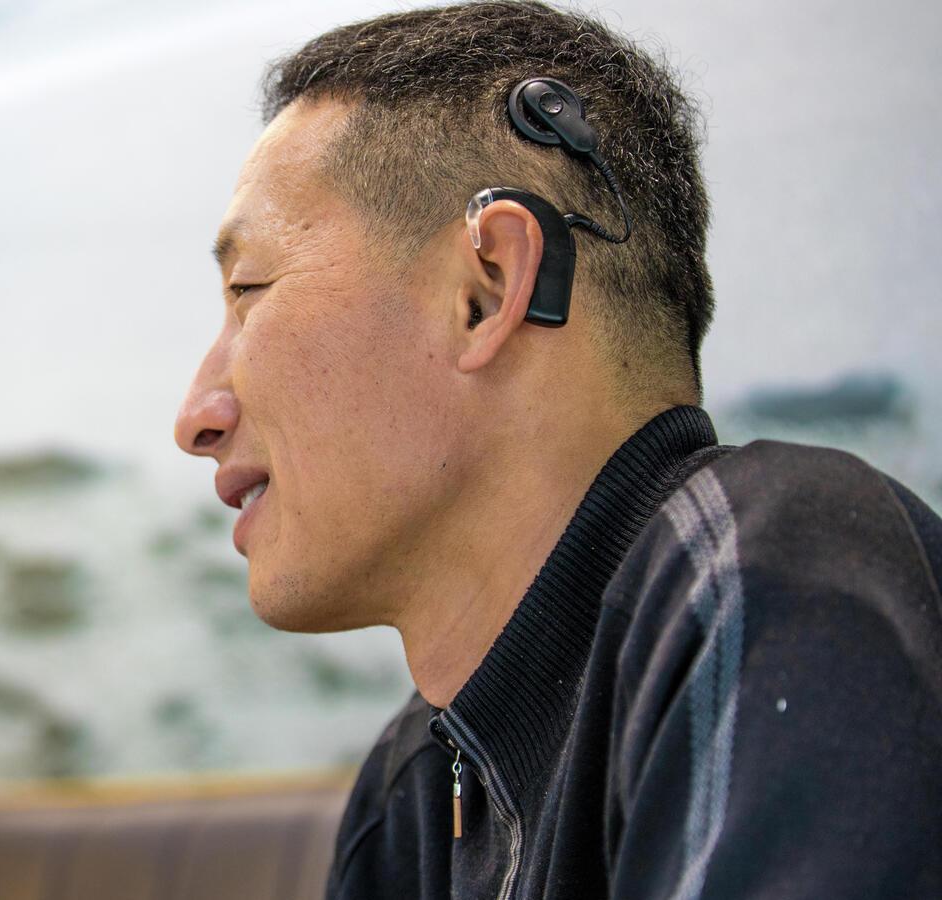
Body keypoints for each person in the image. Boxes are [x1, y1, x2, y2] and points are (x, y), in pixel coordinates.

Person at [172, 2, 942, 898]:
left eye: (249, 289)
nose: (195, 416)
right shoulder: (414, 795)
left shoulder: (770, 573)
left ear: (487, 288)